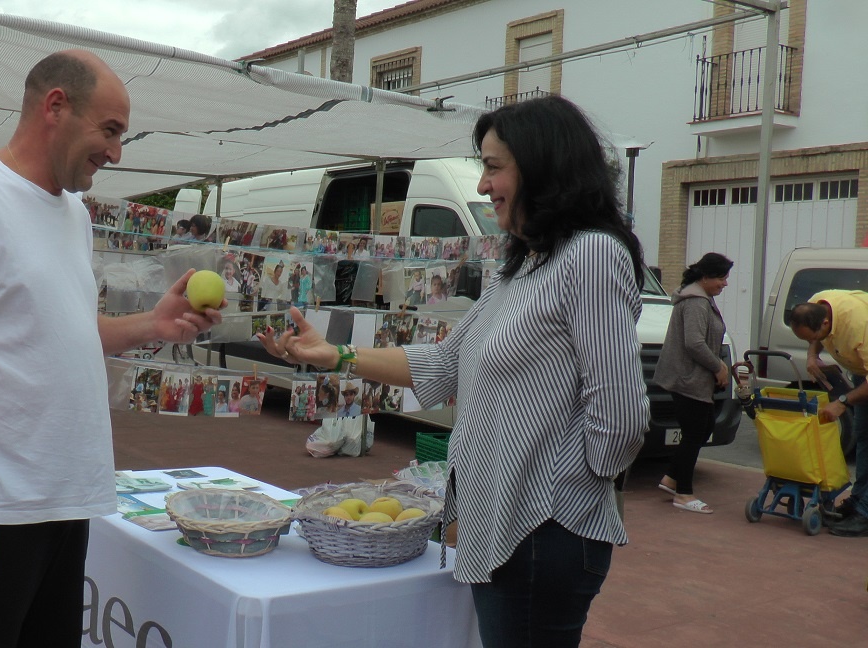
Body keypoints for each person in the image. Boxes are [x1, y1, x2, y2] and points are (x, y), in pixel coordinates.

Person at [259, 95, 649, 647]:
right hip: (507, 529)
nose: (483, 185)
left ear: (545, 167)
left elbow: (622, 414)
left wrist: (566, 495)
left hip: (544, 530)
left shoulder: (590, 254)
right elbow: (442, 366)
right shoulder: (522, 265)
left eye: (494, 167)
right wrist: (335, 356)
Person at [0, 50, 224, 647]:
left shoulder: (73, 212)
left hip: (66, 501)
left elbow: (66, 329)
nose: (116, 153)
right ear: (55, 107)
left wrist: (154, 323)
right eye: (111, 131)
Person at [654, 253, 734, 514]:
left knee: (703, 427)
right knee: (694, 433)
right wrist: (718, 367)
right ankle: (684, 494)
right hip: (688, 379)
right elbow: (694, 343)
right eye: (721, 278)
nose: (724, 284)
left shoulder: (701, 299)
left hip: (692, 378)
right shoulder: (696, 303)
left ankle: (672, 478)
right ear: (705, 277)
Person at [788, 290, 868, 537]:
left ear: (825, 323)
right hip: (862, 371)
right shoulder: (818, 303)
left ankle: (865, 515)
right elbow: (816, 338)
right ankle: (858, 502)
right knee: (863, 437)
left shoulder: (859, 325)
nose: (812, 340)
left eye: (813, 336)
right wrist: (812, 355)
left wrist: (842, 402)